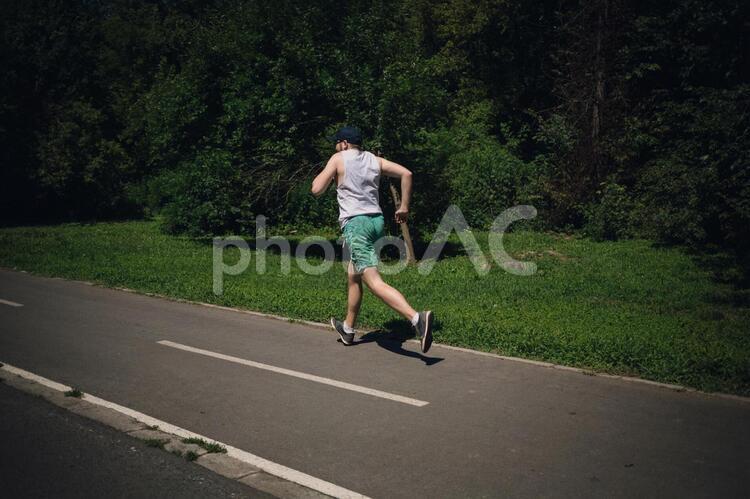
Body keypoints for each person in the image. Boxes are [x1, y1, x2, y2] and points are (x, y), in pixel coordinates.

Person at [311, 126, 434, 353]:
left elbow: (316, 189)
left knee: (374, 282)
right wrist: (404, 206)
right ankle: (348, 328)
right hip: (376, 222)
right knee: (353, 274)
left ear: (345, 143)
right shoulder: (373, 160)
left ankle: (417, 319)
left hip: (356, 225)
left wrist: (329, 168)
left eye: (336, 143)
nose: (335, 147)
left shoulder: (338, 158)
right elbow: (407, 174)